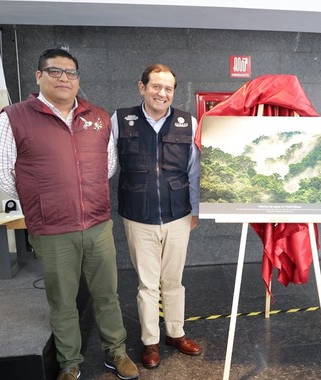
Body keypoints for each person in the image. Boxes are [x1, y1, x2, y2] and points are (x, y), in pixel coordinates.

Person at [0, 48, 139, 380]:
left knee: (107, 294)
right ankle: (70, 363)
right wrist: (39, 199)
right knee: (63, 300)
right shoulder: (14, 116)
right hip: (52, 229)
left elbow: (108, 166)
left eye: (71, 73)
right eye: (55, 71)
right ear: (38, 76)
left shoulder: (96, 117)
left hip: (97, 224)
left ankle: (117, 352)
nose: (64, 78)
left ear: (78, 80)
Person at [111, 63, 201, 370]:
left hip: (177, 215)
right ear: (142, 87)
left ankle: (175, 332)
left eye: (168, 88)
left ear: (174, 92)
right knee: (147, 284)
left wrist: (196, 209)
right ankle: (150, 341)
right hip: (138, 216)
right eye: (156, 86)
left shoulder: (187, 122)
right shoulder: (121, 120)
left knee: (173, 281)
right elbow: (107, 165)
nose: (162, 93)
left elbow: (194, 170)